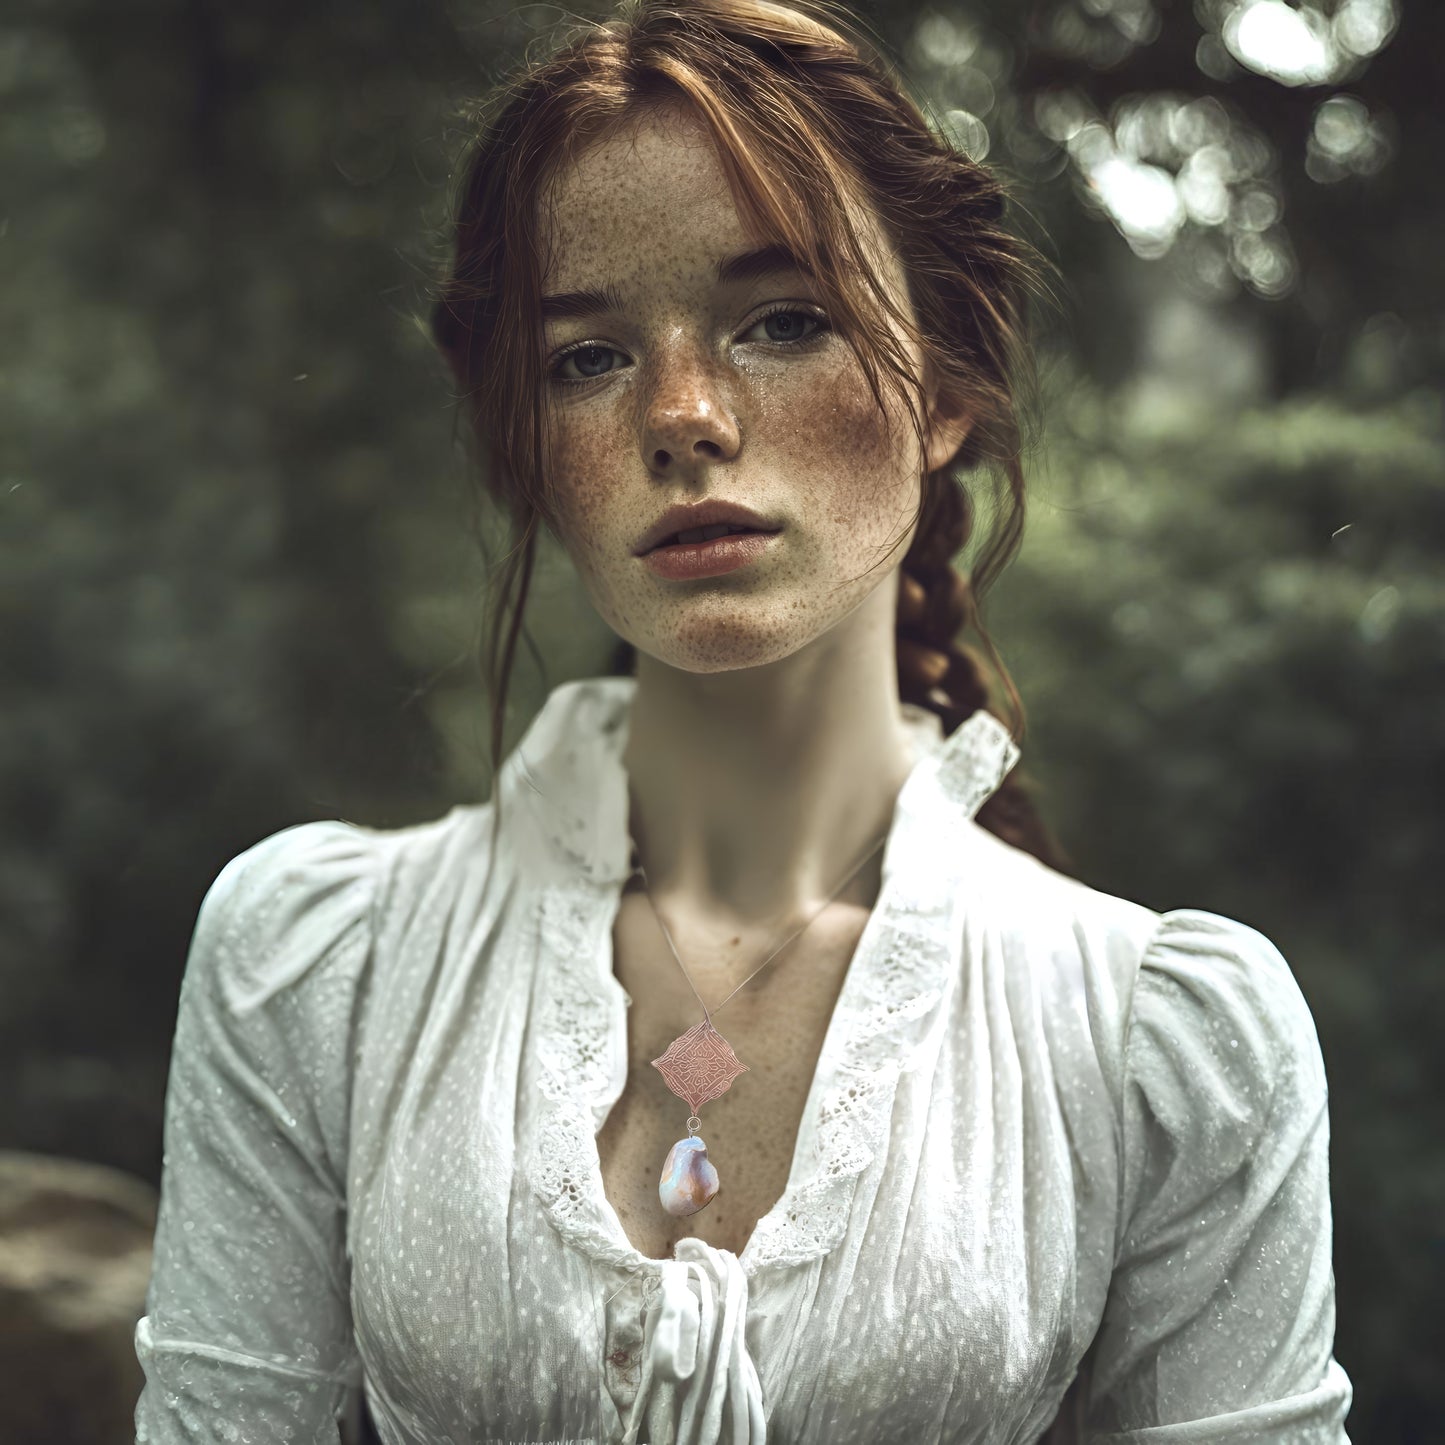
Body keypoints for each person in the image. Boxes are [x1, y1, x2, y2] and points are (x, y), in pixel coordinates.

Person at [132, 1, 1354, 1441]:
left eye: (783, 322)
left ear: (949, 384)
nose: (685, 413)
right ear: (522, 439)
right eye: (585, 355)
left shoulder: (1157, 1040)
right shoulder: (316, 962)